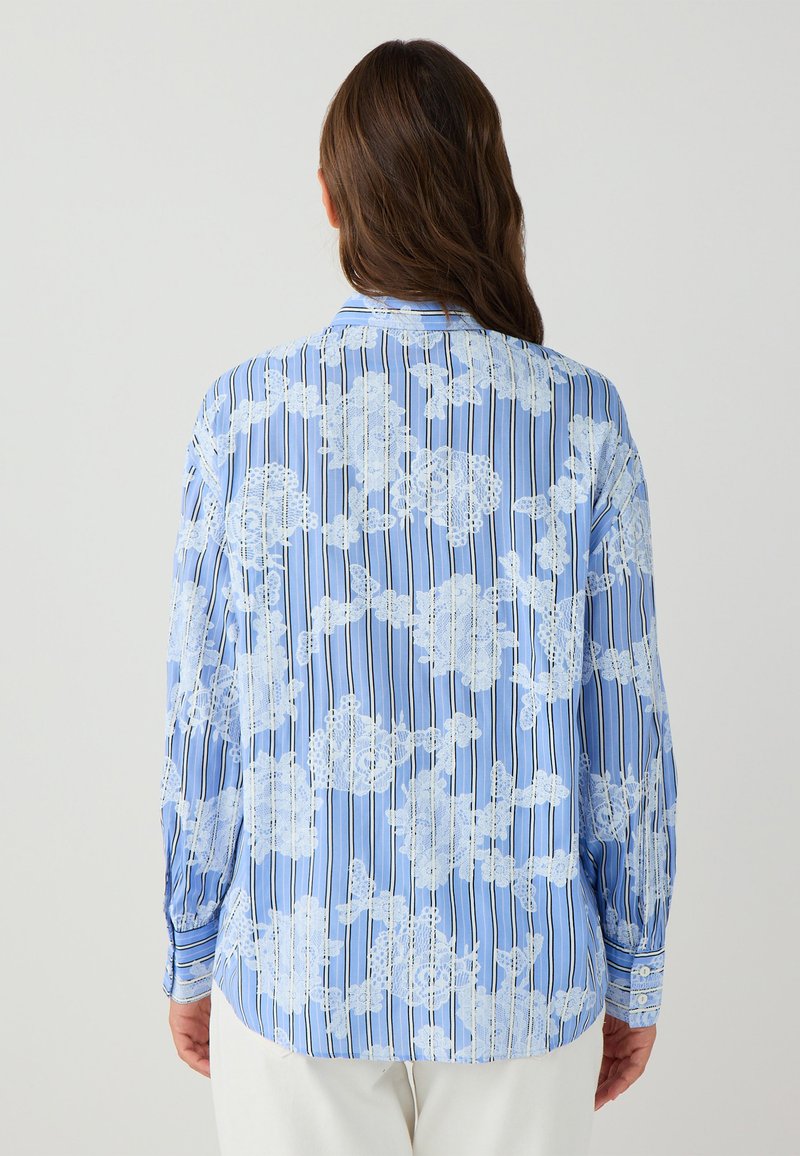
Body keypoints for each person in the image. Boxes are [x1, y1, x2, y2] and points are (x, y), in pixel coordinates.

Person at [160, 37, 678, 1156]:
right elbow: (623, 724)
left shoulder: (241, 417)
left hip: (294, 970)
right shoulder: (580, 419)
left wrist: (192, 945)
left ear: (330, 198)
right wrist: (634, 964)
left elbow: (204, 713)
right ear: (492, 189)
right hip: (522, 984)